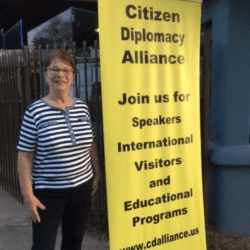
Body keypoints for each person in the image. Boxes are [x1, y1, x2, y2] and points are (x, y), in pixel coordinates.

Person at [16, 50, 100, 250]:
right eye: (54, 69)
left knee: (74, 242)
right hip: (48, 193)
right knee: (43, 245)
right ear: (45, 75)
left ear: (72, 76)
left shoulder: (82, 107)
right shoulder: (35, 111)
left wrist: (98, 173)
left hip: (82, 187)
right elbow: (24, 156)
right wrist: (28, 195)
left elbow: (91, 142)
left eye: (65, 70)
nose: (60, 74)